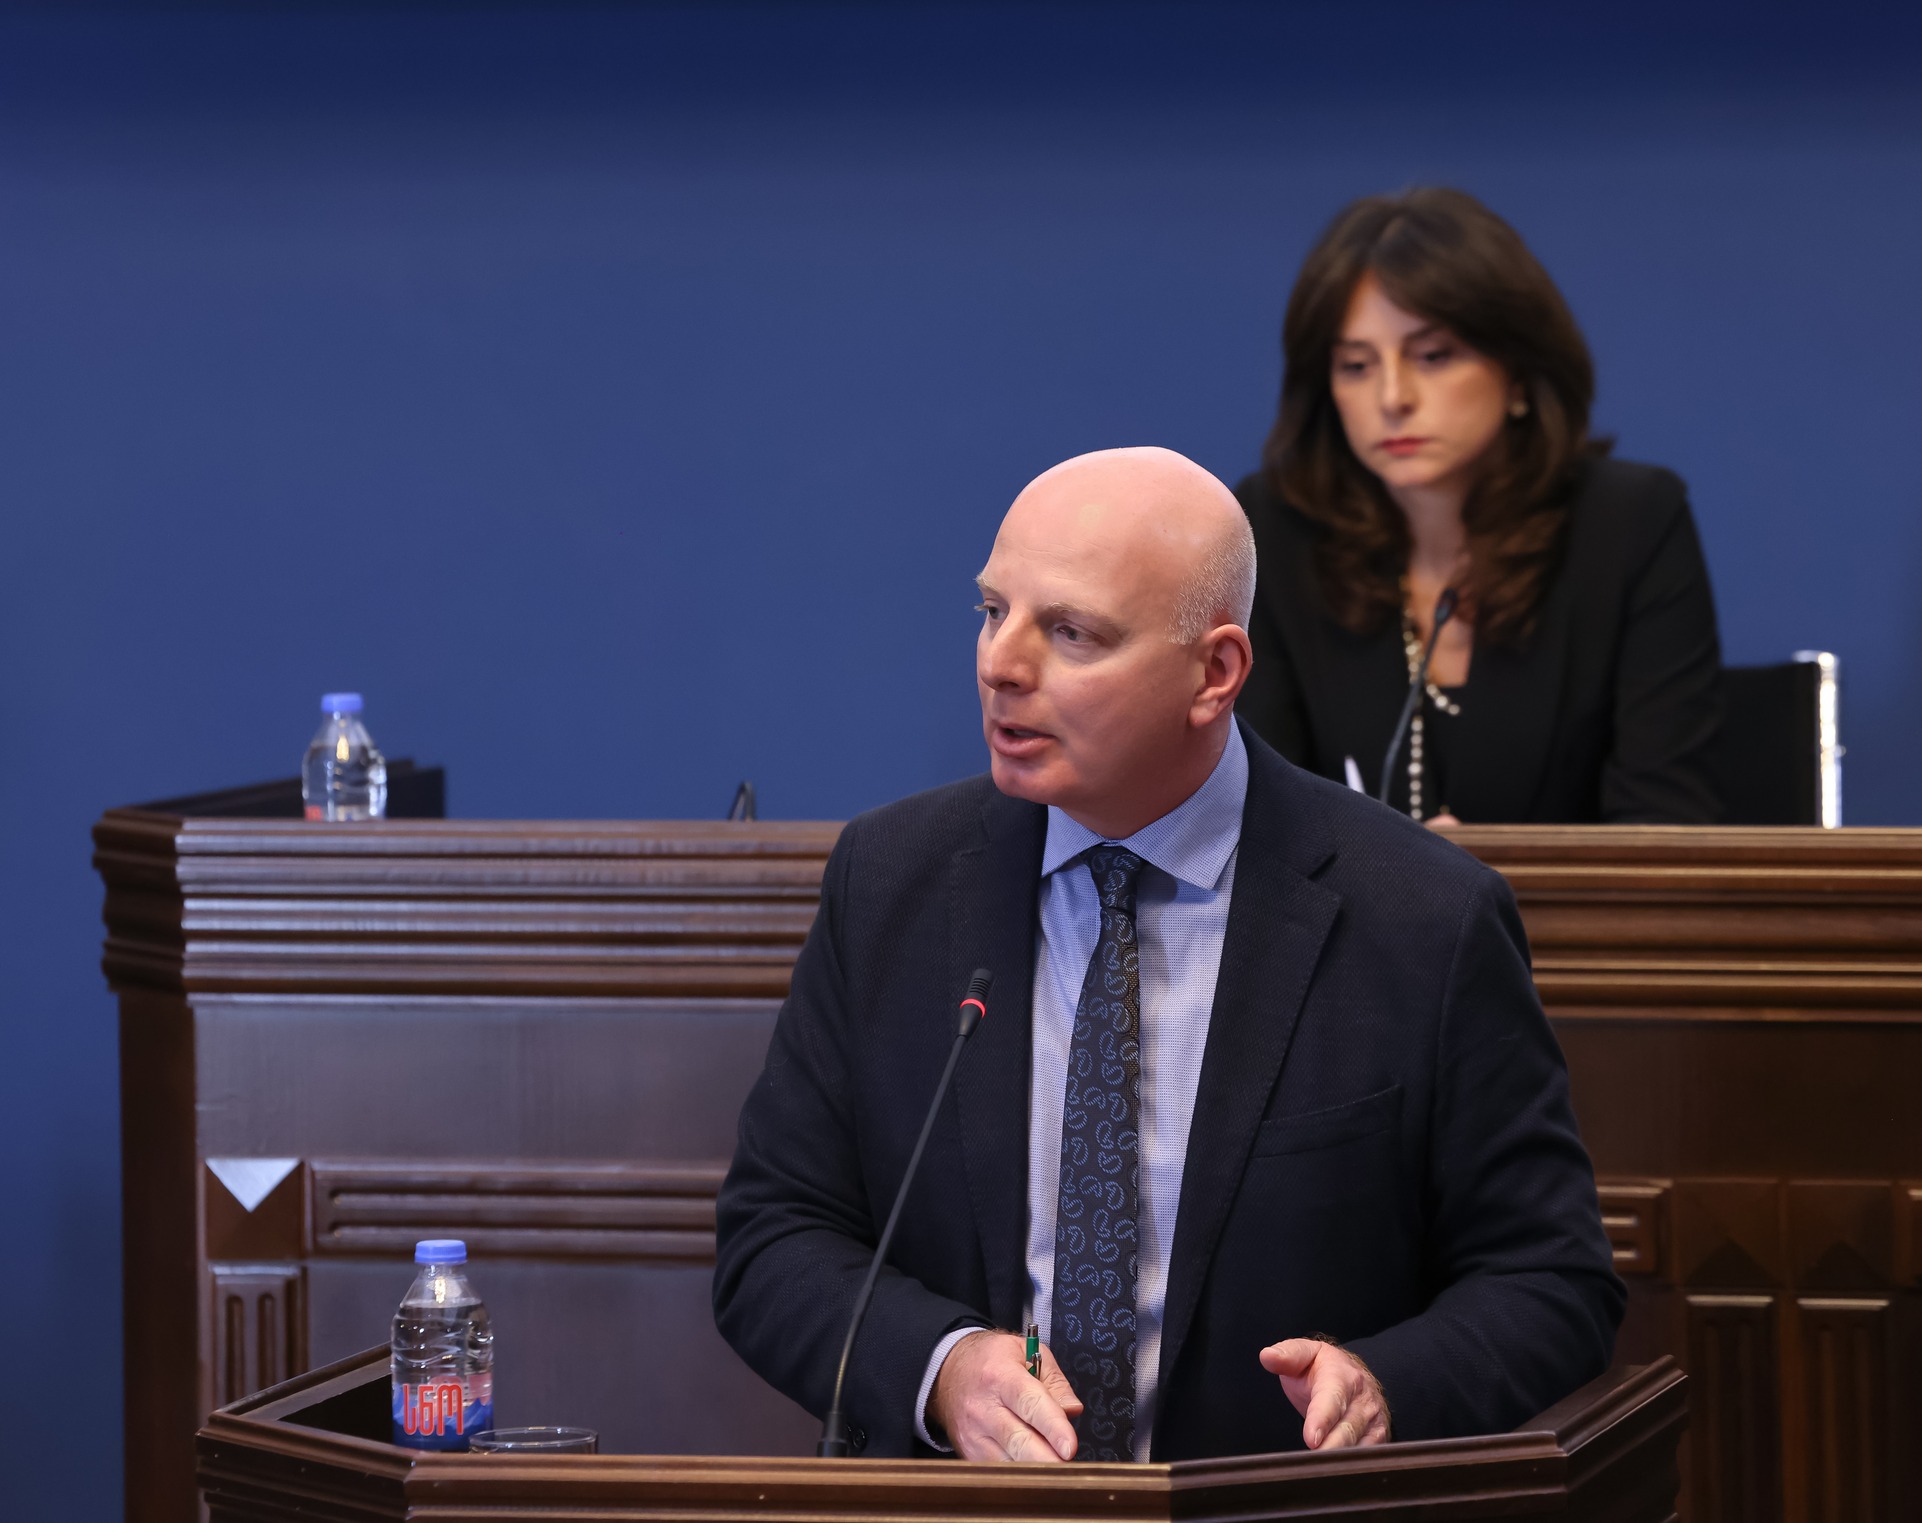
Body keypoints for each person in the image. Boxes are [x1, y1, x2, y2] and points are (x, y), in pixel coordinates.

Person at [713, 447, 1622, 1463]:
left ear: (1214, 673)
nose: (1001, 663)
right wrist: (944, 1365)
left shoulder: (1424, 918)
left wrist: (1383, 1386)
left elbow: (1552, 1281)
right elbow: (773, 1236)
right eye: (991, 610)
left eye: (1070, 631)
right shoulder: (890, 883)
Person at [1236, 187, 1723, 826]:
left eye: (1433, 356)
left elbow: (1665, 823)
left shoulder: (1629, 525)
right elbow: (1257, 821)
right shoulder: (1277, 531)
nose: (1393, 397)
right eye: (1356, 365)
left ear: (1517, 372)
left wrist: (1487, 873)